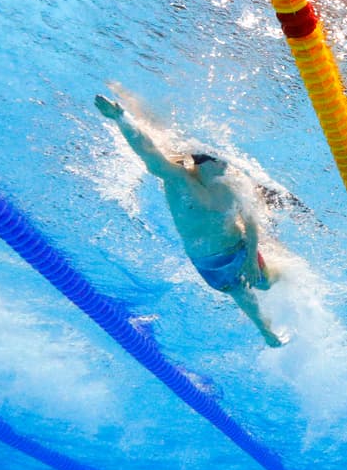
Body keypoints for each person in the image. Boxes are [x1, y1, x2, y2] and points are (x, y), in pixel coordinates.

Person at [94, 93, 286, 346]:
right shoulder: (178, 180)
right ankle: (266, 331)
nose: (228, 167)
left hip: (241, 246)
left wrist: (251, 257)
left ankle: (288, 269)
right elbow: (148, 151)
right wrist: (121, 118)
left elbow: (250, 221)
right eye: (223, 163)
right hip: (211, 259)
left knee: (269, 283)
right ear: (207, 162)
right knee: (236, 289)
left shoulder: (229, 183)